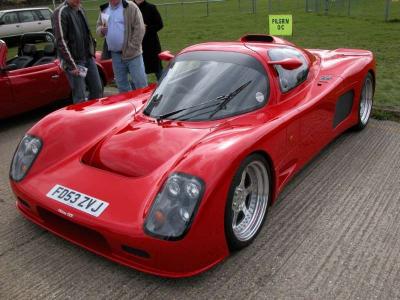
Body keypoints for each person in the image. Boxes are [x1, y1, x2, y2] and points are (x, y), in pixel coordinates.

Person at [52, 0, 103, 104]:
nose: (78, 1)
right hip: (75, 62)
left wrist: (91, 50)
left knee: (97, 89)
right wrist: (72, 65)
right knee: (80, 95)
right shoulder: (61, 12)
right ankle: (82, 118)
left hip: (88, 58)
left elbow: (86, 32)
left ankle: (92, 114)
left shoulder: (80, 8)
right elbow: (61, 41)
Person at [96, 0, 148, 92]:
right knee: (122, 85)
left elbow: (140, 28)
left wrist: (132, 48)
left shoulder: (130, 7)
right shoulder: (104, 9)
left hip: (133, 55)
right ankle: (129, 105)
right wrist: (101, 30)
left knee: (140, 84)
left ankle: (144, 105)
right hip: (115, 55)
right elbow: (99, 28)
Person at [134, 0, 164, 80]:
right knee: (139, 72)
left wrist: (146, 29)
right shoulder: (130, 8)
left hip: (152, 44)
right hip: (136, 45)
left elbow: (160, 24)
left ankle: (165, 87)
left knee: (158, 70)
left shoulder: (151, 7)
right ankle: (142, 91)